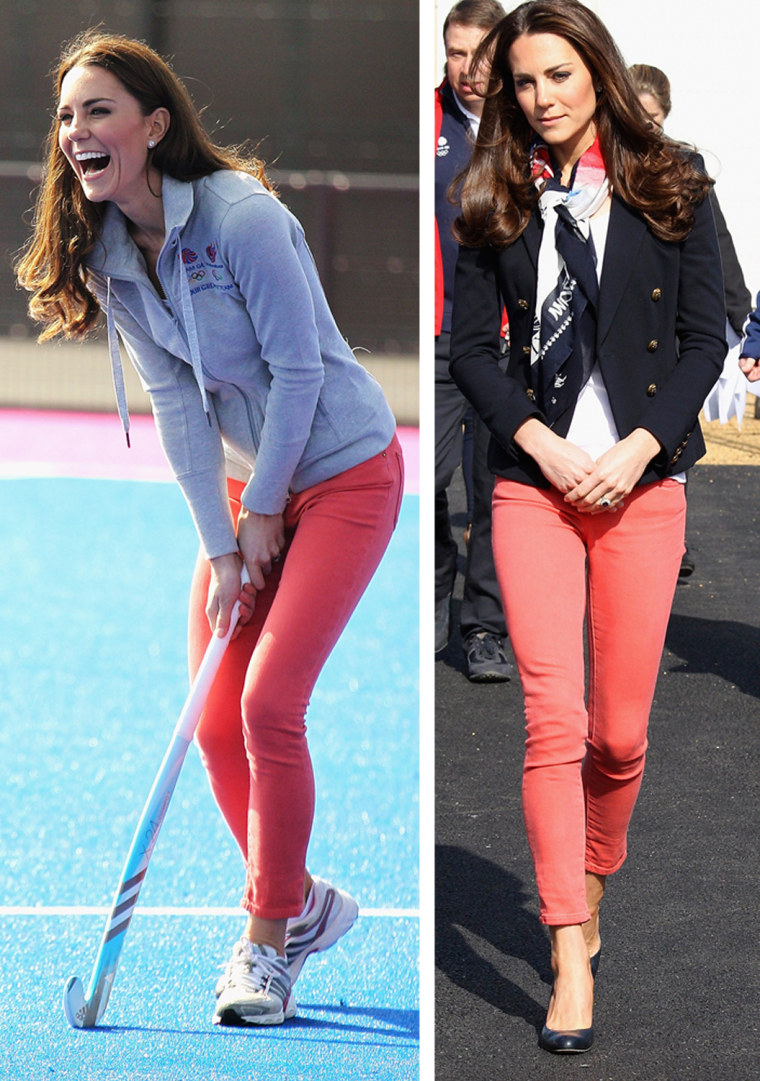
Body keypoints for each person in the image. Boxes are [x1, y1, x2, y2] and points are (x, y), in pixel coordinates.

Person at [16, 30, 404, 1028]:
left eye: (98, 110)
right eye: (66, 116)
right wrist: (227, 540)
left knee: (270, 703)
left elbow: (304, 373)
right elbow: (179, 407)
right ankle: (305, 903)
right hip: (247, 490)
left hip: (344, 472)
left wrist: (269, 505)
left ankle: (266, 945)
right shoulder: (106, 249)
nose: (77, 132)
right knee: (214, 718)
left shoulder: (246, 221)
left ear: (153, 125)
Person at [449, 0, 725, 1054]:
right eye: (522, 82)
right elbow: (471, 347)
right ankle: (567, 948)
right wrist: (542, 440)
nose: (540, 97)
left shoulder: (671, 182)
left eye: (557, 75)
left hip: (642, 487)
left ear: (594, 72)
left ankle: (592, 873)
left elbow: (711, 327)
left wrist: (641, 445)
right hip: (532, 484)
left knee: (618, 733)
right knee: (552, 722)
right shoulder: (495, 194)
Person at [630, 62, 753, 578]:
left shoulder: (685, 168)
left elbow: (716, 242)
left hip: (674, 320)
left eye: (652, 119)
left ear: (666, 117)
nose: (642, 126)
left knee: (673, 423)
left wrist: (744, 318)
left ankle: (668, 534)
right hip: (628, 319)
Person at [435, 0, 511, 681]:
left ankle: (485, 625)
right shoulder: (424, 121)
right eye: (456, 53)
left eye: (482, 54)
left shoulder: (528, 127)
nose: (467, 69)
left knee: (494, 487)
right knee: (429, 479)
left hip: (506, 343)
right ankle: (433, 594)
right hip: (438, 335)